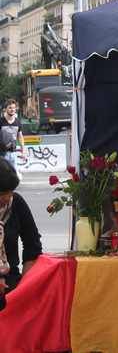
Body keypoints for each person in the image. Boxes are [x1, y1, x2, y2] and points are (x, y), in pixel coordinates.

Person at [0, 159, 42, 295]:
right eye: (2, 194)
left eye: (10, 192)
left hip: (11, 283)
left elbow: (32, 245)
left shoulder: (16, 203)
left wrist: (24, 287)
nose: (7, 198)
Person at [0, 100, 25, 169]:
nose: (12, 109)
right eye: (10, 108)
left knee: (13, 173)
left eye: (14, 108)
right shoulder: (1, 121)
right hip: (2, 154)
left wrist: (23, 151)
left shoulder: (17, 122)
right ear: (5, 109)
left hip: (13, 153)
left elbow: (20, 137)